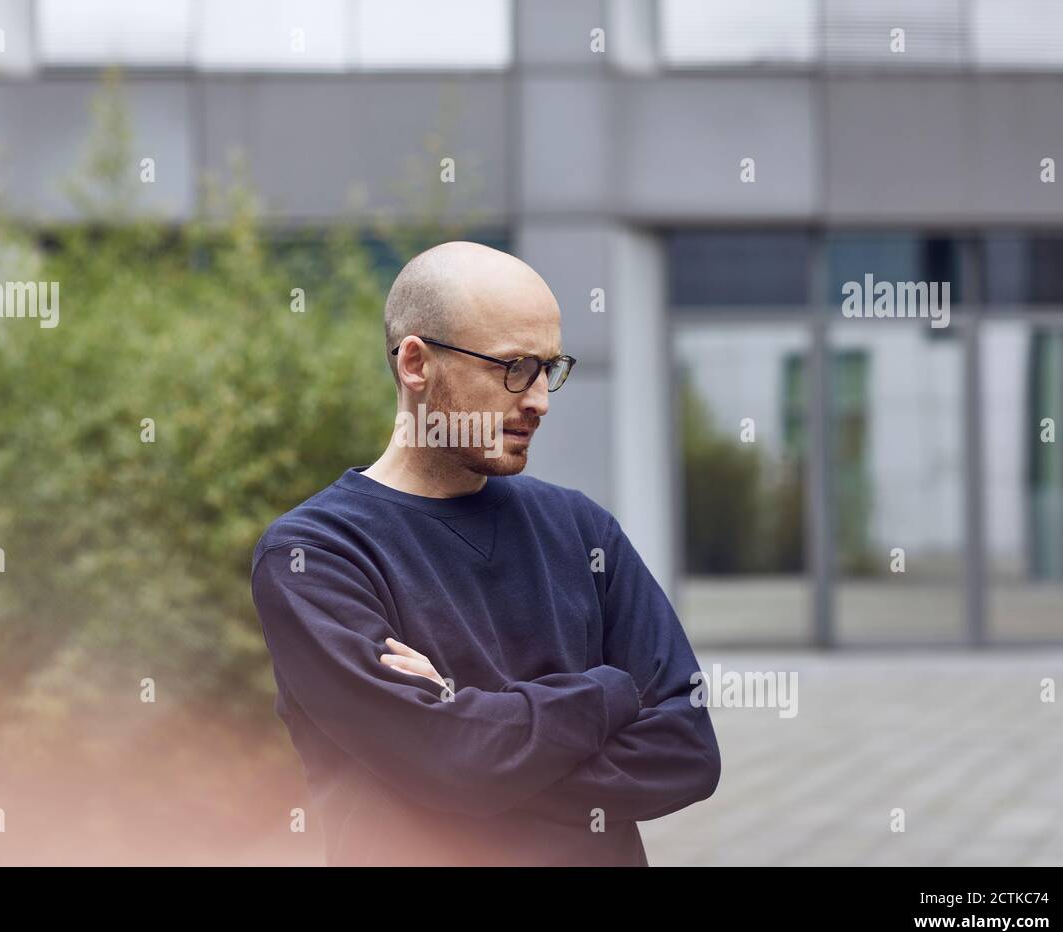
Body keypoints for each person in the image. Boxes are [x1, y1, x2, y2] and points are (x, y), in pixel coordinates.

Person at [251, 240, 720, 865]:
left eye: (549, 368)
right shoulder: (314, 555)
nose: (539, 399)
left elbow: (688, 752)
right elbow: (449, 759)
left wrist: (469, 748)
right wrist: (612, 692)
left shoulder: (583, 531)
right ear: (416, 363)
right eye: (514, 366)